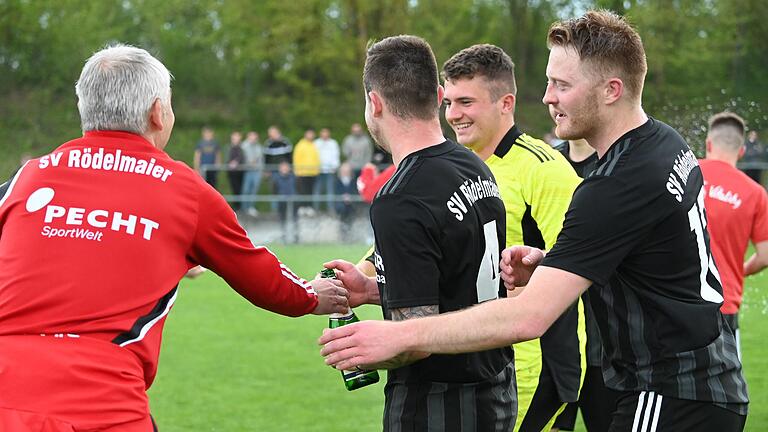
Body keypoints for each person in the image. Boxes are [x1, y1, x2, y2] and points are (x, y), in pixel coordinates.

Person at [321, 11, 749, 431]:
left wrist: (400, 336)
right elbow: (649, 254)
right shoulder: (662, 140)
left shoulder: (613, 185)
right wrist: (553, 263)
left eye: (562, 85)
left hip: (671, 391)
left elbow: (528, 318)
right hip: (706, 377)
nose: (547, 97)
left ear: (611, 90)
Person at [0, 44, 349, 431]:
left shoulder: (28, 177)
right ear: (156, 113)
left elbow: (77, 240)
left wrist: (159, 260)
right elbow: (257, 273)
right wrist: (314, 295)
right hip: (99, 403)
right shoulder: (183, 189)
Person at [324, 35, 515, 431]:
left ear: (374, 103)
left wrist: (359, 347)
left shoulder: (401, 198)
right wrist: (369, 288)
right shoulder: (473, 165)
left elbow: (412, 341)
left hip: (438, 405)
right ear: (439, 94)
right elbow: (454, 279)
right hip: (496, 389)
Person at [442, 43, 584, 432]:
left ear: (505, 103)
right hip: (471, 356)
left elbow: (583, 261)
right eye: (448, 101)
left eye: (466, 102)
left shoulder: (544, 169)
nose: (453, 115)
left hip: (535, 364)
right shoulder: (447, 170)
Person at [553, 138, 616, 432]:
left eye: (564, 87)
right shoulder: (548, 163)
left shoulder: (613, 165)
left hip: (603, 344)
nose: (553, 101)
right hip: (556, 341)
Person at [700, 112, 768, 360]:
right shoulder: (755, 193)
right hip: (724, 302)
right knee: (729, 395)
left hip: (677, 301)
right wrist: (740, 270)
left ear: (708, 144)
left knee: (671, 392)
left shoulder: (685, 175)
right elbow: (765, 255)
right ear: (741, 152)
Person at [292, 128, 320, 215]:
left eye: (312, 134)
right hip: (302, 173)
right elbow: (296, 158)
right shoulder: (300, 145)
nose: (310, 136)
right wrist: (297, 171)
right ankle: (302, 207)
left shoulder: (314, 145)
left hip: (312, 173)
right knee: (302, 191)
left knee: (310, 191)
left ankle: (309, 207)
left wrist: (317, 170)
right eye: (309, 134)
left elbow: (317, 158)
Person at [313, 127, 341, 211]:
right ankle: (316, 209)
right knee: (317, 190)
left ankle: (330, 209)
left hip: (330, 171)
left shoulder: (333, 143)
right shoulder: (316, 143)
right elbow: (314, 157)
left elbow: (336, 156)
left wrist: (334, 167)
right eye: (323, 133)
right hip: (318, 171)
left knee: (330, 191)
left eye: (326, 133)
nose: (324, 135)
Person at [241, 130, 265, 217]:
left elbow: (261, 160)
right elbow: (242, 158)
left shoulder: (259, 147)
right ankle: (244, 208)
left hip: (257, 171)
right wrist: (249, 163)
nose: (253, 138)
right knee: (246, 190)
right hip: (247, 171)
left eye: (255, 137)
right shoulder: (244, 146)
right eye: (251, 136)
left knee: (254, 190)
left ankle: (251, 207)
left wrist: (262, 171)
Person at [274, 159, 298, 243]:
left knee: (295, 218)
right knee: (282, 219)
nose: (284, 169)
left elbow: (297, 188)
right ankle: (283, 236)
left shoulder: (293, 177)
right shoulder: (276, 178)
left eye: (286, 167)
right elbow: (274, 190)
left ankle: (296, 237)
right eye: (283, 167)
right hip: (282, 201)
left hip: (293, 201)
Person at [334, 162, 357, 241]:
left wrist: (350, 197)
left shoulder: (354, 180)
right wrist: (342, 197)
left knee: (350, 219)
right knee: (342, 218)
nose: (345, 172)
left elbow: (355, 191)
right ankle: (343, 237)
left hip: (351, 204)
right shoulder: (337, 181)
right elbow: (336, 191)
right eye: (344, 170)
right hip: (341, 205)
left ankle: (350, 236)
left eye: (347, 170)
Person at [226, 130, 245, 209]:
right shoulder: (229, 148)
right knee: (234, 188)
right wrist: (231, 163)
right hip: (232, 172)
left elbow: (242, 158)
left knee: (241, 189)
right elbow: (227, 159)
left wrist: (236, 162)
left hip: (240, 172)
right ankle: (236, 206)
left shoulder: (242, 147)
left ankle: (240, 206)